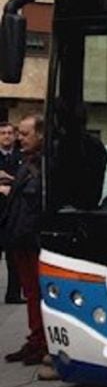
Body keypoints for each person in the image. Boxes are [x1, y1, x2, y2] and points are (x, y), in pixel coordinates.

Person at [2, 115, 56, 380]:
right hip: (20, 240)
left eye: (24, 134)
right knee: (31, 294)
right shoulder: (28, 162)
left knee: (38, 294)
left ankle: (43, 342)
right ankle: (35, 339)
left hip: (32, 241)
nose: (19, 138)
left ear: (41, 135)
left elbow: (35, 205)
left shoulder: (47, 165)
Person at [0, 122, 23, 303]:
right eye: (2, 133)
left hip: (13, 213)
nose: (6, 136)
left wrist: (9, 179)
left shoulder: (21, 156)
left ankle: (13, 294)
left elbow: (25, 180)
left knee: (14, 257)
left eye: (9, 133)